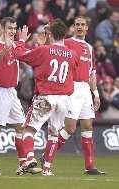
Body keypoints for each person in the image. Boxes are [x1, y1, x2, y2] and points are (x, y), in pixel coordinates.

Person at [14, 19, 79, 176]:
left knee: (29, 129)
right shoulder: (73, 54)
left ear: (49, 34)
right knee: (54, 133)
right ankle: (47, 169)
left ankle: (29, 158)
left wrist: (21, 40)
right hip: (64, 99)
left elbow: (20, 55)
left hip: (46, 96)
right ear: (64, 34)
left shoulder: (44, 50)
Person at [42, 16, 105, 175]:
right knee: (70, 128)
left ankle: (89, 166)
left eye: (83, 24)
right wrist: (48, 34)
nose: (80, 27)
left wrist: (96, 93)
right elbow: (51, 48)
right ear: (73, 27)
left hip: (85, 89)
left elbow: (92, 73)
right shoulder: (67, 42)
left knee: (87, 125)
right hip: (71, 87)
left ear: (87, 28)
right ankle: (47, 155)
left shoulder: (90, 48)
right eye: (77, 24)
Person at [0, 17, 41, 176]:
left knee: (20, 127)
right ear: (2, 28)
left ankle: (23, 164)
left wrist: (36, 46)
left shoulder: (16, 45)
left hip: (11, 92)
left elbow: (29, 56)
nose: (12, 31)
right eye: (9, 28)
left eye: (14, 28)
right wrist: (5, 50)